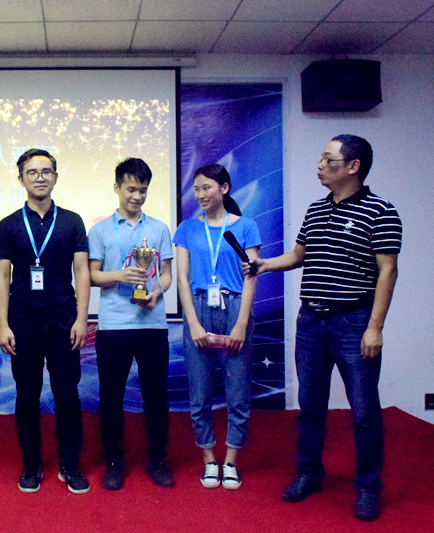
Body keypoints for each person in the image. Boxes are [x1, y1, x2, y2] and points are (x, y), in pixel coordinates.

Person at [248, 135, 401, 521]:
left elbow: (388, 270)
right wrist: (264, 265)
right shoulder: (316, 209)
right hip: (311, 322)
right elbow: (299, 255)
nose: (320, 165)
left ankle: (368, 487)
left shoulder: (381, 211)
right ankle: (308, 473)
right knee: (310, 406)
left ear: (353, 166)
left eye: (328, 159)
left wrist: (375, 328)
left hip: (354, 322)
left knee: (364, 411)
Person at [0, 148, 91, 494]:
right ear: (21, 178)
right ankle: (32, 463)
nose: (39, 177)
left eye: (46, 171)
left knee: (67, 394)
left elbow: (82, 272)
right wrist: (3, 325)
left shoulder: (72, 221)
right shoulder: (8, 225)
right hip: (23, 319)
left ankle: (70, 463)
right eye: (32, 172)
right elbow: (2, 277)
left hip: (64, 318)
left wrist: (82, 318)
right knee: (27, 394)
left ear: (55, 177)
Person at [88, 157, 174, 490]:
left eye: (143, 190)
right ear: (117, 188)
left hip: (152, 324)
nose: (137, 196)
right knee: (111, 396)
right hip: (113, 325)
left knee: (157, 395)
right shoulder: (100, 230)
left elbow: (166, 274)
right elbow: (92, 275)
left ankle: (157, 459)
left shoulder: (159, 229)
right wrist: (120, 276)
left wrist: (156, 292)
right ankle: (114, 461)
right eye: (131, 189)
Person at [173, 163, 261, 490]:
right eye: (196, 189)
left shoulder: (246, 226)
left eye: (206, 187)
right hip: (199, 307)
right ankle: (209, 459)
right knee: (199, 394)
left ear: (224, 188)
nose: (200, 194)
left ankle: (231, 461)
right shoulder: (186, 229)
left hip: (235, 305)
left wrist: (241, 324)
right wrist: (193, 323)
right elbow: (182, 279)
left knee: (238, 393)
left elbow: (251, 276)